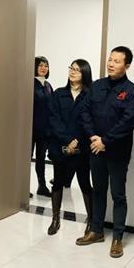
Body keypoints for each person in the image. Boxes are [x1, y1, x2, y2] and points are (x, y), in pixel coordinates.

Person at [76, 46, 134, 259]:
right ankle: (96, 231)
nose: (111, 64)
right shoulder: (97, 86)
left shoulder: (132, 91)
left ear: (127, 65)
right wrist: (93, 137)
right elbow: (84, 111)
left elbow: (128, 121)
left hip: (117, 152)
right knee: (98, 190)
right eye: (110, 59)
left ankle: (117, 238)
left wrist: (105, 141)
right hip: (95, 148)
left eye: (117, 61)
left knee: (118, 194)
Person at [46, 59, 94, 235]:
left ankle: (91, 221)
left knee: (85, 184)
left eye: (77, 70)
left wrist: (77, 141)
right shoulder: (59, 94)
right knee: (58, 183)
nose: (72, 72)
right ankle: (55, 219)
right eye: (71, 68)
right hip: (61, 147)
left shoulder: (90, 95)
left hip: (82, 149)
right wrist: (68, 140)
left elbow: (89, 121)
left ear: (85, 74)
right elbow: (53, 119)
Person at [32, 56, 53, 197]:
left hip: (44, 130)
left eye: (46, 65)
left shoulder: (48, 85)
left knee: (41, 158)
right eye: (40, 65)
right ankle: (22, 189)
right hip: (30, 128)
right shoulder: (29, 83)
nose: (44, 68)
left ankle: (42, 186)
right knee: (26, 158)